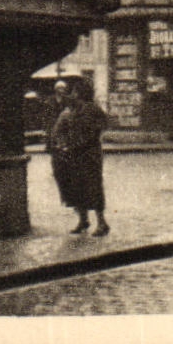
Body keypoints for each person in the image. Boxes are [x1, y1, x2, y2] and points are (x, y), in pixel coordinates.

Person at [49, 77, 110, 235]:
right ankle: (83, 220)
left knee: (93, 187)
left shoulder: (92, 109)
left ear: (82, 93)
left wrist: (77, 142)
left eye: (75, 92)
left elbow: (99, 128)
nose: (73, 94)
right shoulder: (72, 109)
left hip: (89, 154)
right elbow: (58, 129)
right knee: (76, 187)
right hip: (74, 154)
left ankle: (102, 223)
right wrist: (63, 142)